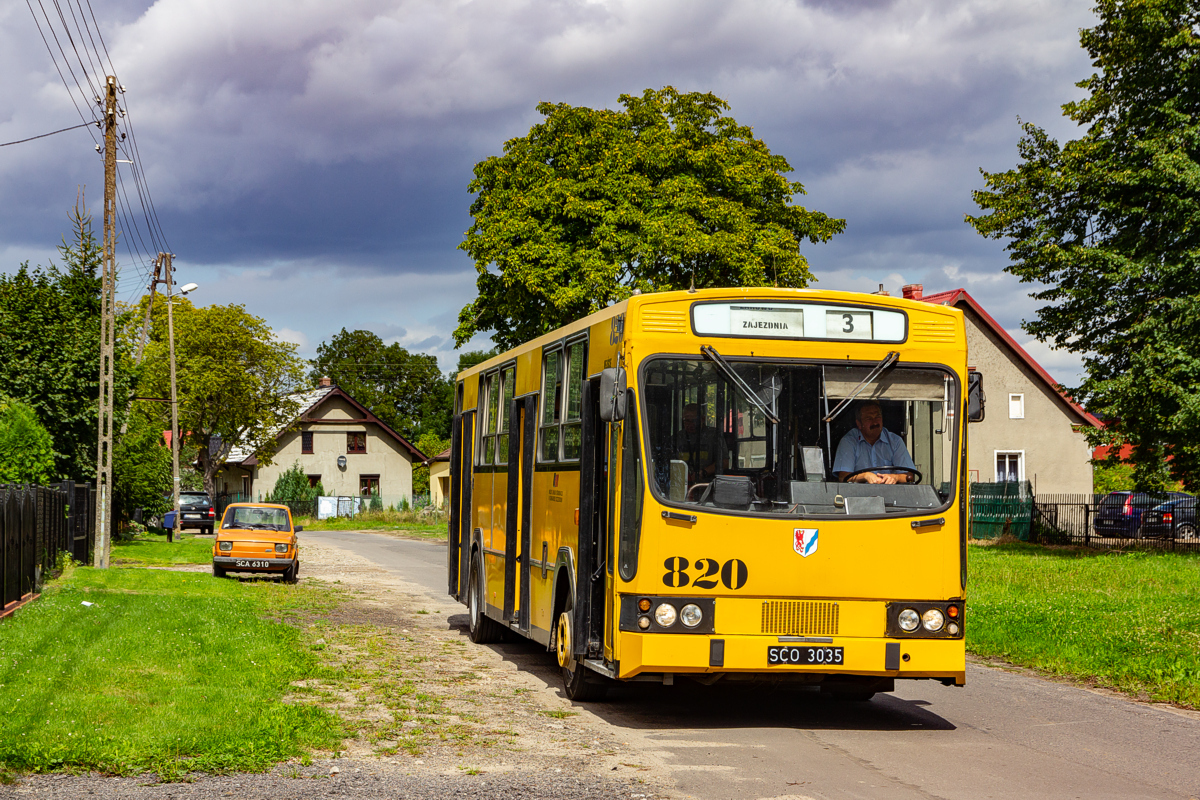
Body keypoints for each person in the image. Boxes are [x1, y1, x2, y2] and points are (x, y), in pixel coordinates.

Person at [833, 401, 916, 484]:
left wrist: (895, 477)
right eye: (869, 418)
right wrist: (865, 476)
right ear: (859, 424)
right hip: (858, 495)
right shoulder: (849, 441)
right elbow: (843, 477)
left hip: (890, 494)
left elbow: (909, 476)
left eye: (877, 417)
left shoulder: (895, 441)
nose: (875, 422)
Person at [674, 403, 720, 484]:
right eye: (686, 420)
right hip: (682, 484)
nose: (690, 424)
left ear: (703, 419)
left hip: (707, 485)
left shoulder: (713, 435)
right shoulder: (677, 437)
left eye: (694, 421)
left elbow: (724, 462)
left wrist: (704, 472)